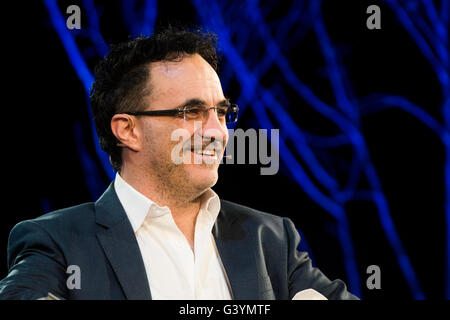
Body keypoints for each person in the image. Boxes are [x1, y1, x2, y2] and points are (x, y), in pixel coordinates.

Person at [0, 28, 358, 300]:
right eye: (192, 112)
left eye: (222, 112)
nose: (218, 132)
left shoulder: (271, 239)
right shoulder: (57, 242)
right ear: (128, 130)